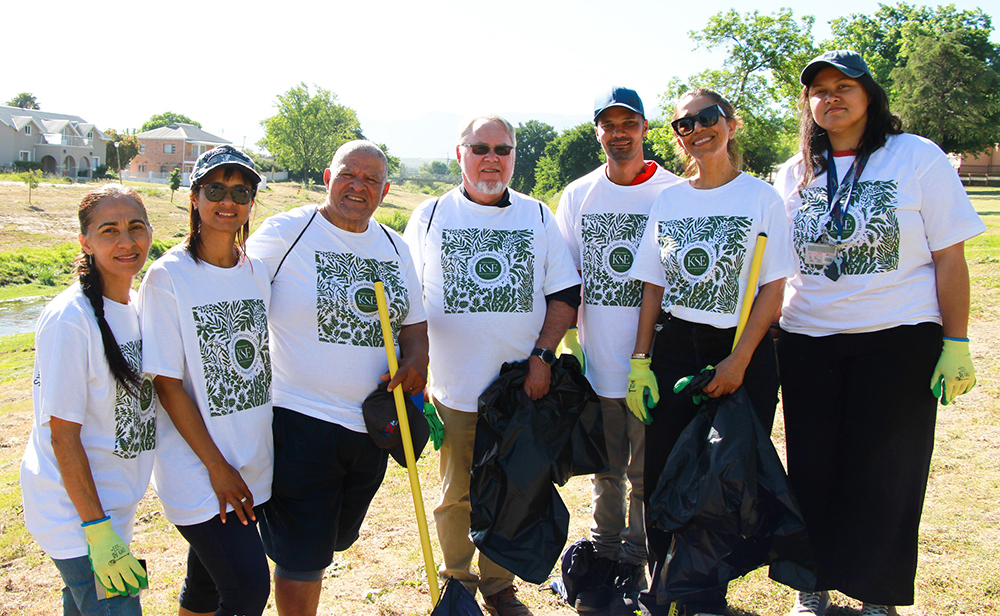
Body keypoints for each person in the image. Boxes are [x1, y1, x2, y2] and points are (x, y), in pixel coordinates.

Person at [773, 50, 985, 616]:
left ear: (871, 95)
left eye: (844, 86)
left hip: (897, 339)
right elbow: (776, 267)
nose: (831, 97)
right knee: (811, 468)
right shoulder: (794, 171)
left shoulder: (916, 157)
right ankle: (809, 586)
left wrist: (956, 343)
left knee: (888, 472)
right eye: (819, 89)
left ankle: (876, 595)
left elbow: (949, 256)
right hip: (808, 340)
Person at [627, 88, 797, 616]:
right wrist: (639, 364)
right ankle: (661, 586)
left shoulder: (761, 198)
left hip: (740, 347)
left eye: (706, 118)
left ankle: (703, 595)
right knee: (662, 470)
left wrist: (739, 361)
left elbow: (773, 289)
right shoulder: (670, 200)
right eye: (683, 124)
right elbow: (652, 286)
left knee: (724, 475)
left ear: (730, 123)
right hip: (676, 348)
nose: (696, 129)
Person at [403, 114, 581, 616]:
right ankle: (457, 582)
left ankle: (499, 585)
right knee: (456, 494)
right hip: (456, 388)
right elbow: (407, 299)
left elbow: (565, 294)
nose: (491, 158)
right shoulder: (431, 216)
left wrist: (543, 357)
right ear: (458, 154)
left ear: (513, 156)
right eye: (479, 147)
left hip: (519, 388)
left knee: (514, 490)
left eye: (502, 149)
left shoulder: (538, 216)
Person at [246, 140, 428, 616]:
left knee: (336, 539)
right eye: (349, 174)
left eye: (371, 180)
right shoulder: (285, 232)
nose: (358, 186)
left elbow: (415, 326)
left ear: (385, 191)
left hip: (371, 426)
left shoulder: (394, 247)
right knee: (302, 555)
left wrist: (415, 362)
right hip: (298, 418)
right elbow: (235, 297)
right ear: (329, 177)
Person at [554, 86, 682, 612]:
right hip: (599, 360)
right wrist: (569, 343)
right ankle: (605, 554)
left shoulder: (675, 192)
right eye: (608, 124)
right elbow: (565, 278)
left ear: (645, 128)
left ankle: (640, 559)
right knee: (606, 468)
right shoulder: (578, 195)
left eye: (628, 122)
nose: (619, 132)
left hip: (652, 364)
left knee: (647, 473)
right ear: (598, 133)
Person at [139, 146, 273, 616]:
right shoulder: (167, 277)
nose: (228, 201)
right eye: (215, 189)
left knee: (206, 587)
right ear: (194, 198)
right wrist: (217, 467)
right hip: (201, 469)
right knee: (248, 590)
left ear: (252, 201)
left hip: (249, 461)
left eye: (241, 191)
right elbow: (167, 384)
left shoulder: (256, 272)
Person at [21, 184, 154, 616]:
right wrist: (96, 530)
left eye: (136, 227)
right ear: (85, 241)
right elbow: (63, 436)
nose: (126, 241)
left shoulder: (135, 305)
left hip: (114, 509)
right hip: (78, 517)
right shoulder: (71, 319)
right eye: (109, 230)